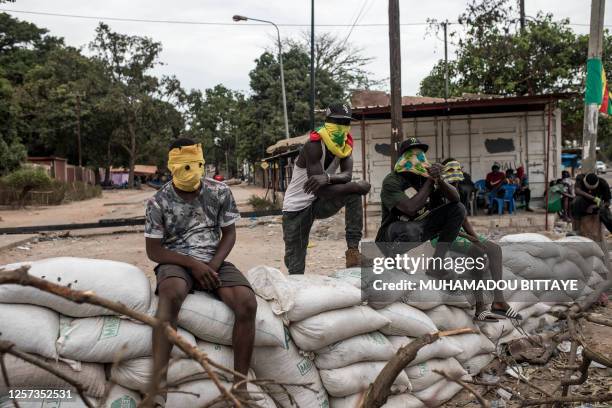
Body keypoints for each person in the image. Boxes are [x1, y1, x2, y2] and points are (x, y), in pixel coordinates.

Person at [144, 138, 257, 406]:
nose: (189, 171)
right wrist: (192, 265)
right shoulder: (157, 201)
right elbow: (154, 251)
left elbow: (229, 234)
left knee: (247, 303)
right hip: (175, 260)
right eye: (183, 166)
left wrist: (213, 265)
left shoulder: (219, 192)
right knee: (170, 295)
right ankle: (157, 387)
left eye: (194, 165)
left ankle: (240, 385)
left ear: (202, 163)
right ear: (171, 167)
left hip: (213, 259)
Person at [281, 103, 371, 274]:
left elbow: (347, 175)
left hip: (319, 203)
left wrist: (328, 177)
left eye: (346, 123)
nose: (342, 127)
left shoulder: (344, 148)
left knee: (353, 194)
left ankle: (353, 251)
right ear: (327, 122)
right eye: (337, 122)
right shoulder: (313, 146)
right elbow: (321, 190)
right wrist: (354, 185)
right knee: (295, 265)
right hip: (297, 208)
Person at [438, 159, 522, 321]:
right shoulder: (439, 195)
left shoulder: (457, 192)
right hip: (443, 236)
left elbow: (463, 219)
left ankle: (498, 301)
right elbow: (442, 227)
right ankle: (479, 306)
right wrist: (474, 242)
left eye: (458, 174)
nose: (456, 180)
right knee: (477, 251)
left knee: (494, 249)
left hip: (459, 232)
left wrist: (477, 238)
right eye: (452, 175)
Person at [375, 138, 465, 280]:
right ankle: (391, 260)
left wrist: (439, 179)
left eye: (421, 154)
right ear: (402, 158)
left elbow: (455, 199)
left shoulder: (424, 177)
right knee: (412, 229)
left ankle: (437, 264)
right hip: (391, 235)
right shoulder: (392, 180)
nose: (417, 158)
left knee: (458, 209)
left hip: (420, 226)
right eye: (412, 154)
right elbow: (410, 208)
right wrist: (430, 180)